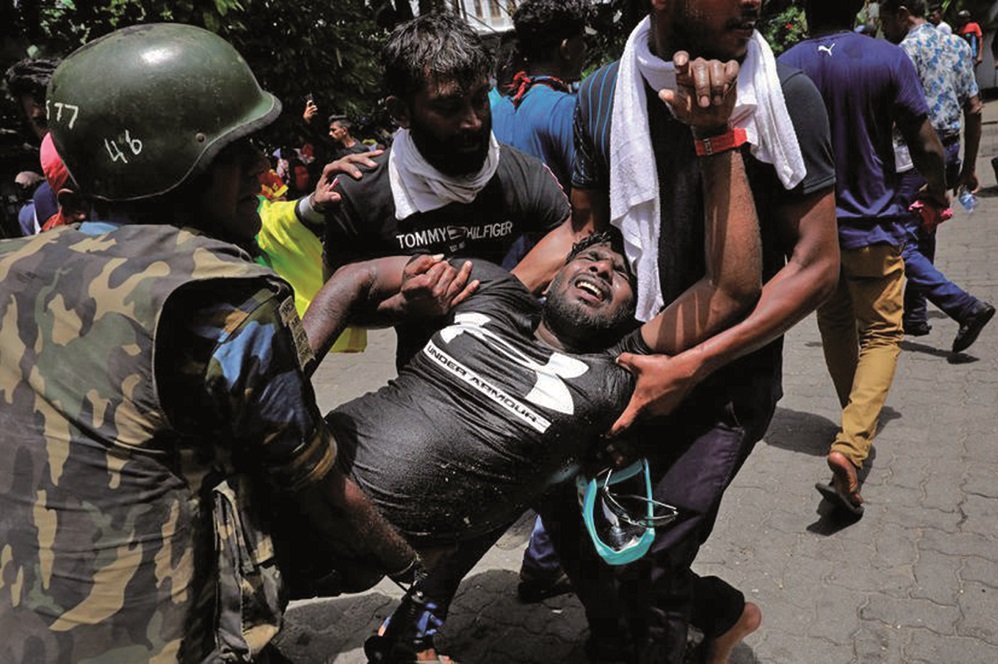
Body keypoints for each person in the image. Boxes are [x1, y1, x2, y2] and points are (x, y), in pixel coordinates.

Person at [303, 51, 764, 655]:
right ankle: (416, 636)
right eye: (591, 259)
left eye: (621, 275)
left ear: (632, 310)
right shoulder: (497, 294)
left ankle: (709, 615)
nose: (601, 268)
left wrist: (715, 137)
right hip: (408, 468)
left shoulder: (618, 365)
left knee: (587, 540)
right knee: (496, 505)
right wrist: (295, 369)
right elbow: (360, 279)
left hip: (526, 459)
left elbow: (730, 288)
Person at [0, 24, 422, 662]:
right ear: (176, 164)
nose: (262, 167)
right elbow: (322, 491)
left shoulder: (12, 263)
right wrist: (416, 571)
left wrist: (346, 290)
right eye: (240, 150)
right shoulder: (222, 301)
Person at [524, 0, 840, 661]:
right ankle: (717, 616)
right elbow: (588, 229)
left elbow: (815, 267)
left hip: (730, 379)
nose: (754, 1)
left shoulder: (786, 97)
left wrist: (693, 366)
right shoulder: (604, 94)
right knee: (589, 531)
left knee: (657, 556)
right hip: (629, 365)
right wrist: (494, 295)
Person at [319, 12, 574, 365]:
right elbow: (343, 304)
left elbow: (577, 235)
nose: (473, 121)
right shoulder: (358, 193)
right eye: (449, 107)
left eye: (480, 100)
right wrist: (403, 305)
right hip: (423, 384)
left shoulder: (520, 173)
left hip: (514, 366)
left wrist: (502, 292)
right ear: (401, 113)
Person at [781, 0, 949, 515]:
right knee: (881, 333)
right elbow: (926, 143)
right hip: (872, 223)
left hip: (812, 231)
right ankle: (852, 445)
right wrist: (938, 193)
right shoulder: (885, 57)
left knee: (834, 321)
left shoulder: (783, 66)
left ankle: (851, 422)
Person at [488, 0, 590, 603]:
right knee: (565, 427)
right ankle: (546, 559)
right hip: (551, 292)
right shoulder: (569, 109)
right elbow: (586, 210)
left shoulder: (494, 108)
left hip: (496, 285)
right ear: (570, 47)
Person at [880, 0, 995, 353]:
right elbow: (974, 109)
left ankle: (964, 306)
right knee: (924, 228)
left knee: (899, 243)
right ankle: (915, 314)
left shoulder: (902, 54)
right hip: (950, 149)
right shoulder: (958, 45)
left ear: (902, 13)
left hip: (914, 156)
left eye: (886, 21)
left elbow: (893, 118)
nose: (884, 30)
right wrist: (969, 166)